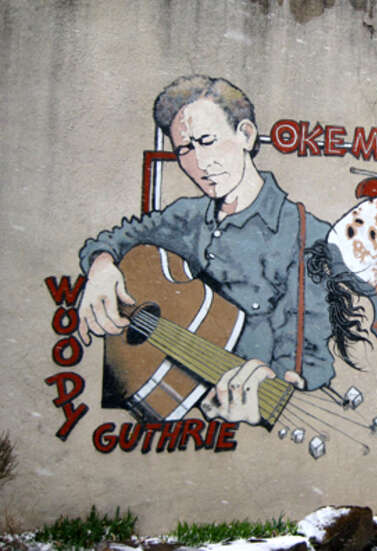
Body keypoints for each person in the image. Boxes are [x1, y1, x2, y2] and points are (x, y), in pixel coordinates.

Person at [77, 75, 335, 425]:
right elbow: (124, 235)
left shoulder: (306, 235)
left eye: (207, 141)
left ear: (245, 135)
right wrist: (102, 265)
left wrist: (275, 390)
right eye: (184, 149)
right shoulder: (186, 216)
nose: (199, 162)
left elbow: (306, 355)